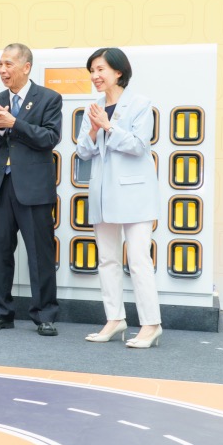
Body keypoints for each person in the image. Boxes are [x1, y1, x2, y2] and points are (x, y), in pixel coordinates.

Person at [76, 47, 162, 348]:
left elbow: (139, 146)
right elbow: (83, 151)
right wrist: (93, 129)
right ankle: (115, 319)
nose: (95, 76)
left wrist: (108, 126)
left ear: (118, 72)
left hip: (135, 194)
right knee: (107, 260)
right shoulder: (94, 108)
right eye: (92, 71)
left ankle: (151, 325)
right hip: (102, 193)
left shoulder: (141, 104)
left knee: (138, 261)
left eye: (100, 69)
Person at [0, 43, 62, 336]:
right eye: (0, 64)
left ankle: (45, 314)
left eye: (8, 64)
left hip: (34, 188)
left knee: (40, 254)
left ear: (26, 67)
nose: (3, 70)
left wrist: (15, 123)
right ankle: (0, 312)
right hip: (1, 186)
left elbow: (50, 137)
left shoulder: (48, 98)